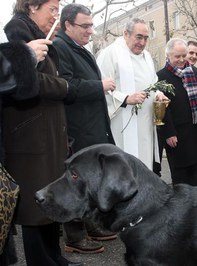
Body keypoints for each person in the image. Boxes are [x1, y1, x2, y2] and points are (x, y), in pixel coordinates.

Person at [2, 1, 81, 265]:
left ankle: (55, 256)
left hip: (47, 133)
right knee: (36, 204)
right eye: (53, 8)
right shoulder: (18, 34)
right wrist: (66, 87)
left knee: (51, 198)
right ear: (33, 6)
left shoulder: (41, 37)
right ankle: (42, 260)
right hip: (31, 135)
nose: (56, 16)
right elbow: (30, 82)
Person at [53, 3, 117, 254]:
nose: (91, 30)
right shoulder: (60, 47)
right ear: (67, 24)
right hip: (76, 129)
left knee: (88, 181)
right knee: (74, 183)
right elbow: (66, 86)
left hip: (90, 126)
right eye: (85, 25)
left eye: (92, 25)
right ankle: (75, 237)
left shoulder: (77, 47)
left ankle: (90, 225)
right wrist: (99, 85)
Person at [97, 18, 167, 172]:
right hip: (123, 121)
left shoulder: (147, 56)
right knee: (124, 169)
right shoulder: (111, 53)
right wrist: (126, 98)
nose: (142, 43)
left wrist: (159, 94)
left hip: (146, 122)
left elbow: (153, 82)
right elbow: (101, 86)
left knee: (144, 167)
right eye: (138, 37)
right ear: (126, 34)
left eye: (145, 38)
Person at [157, 38, 197, 186]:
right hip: (177, 136)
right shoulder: (160, 76)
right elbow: (163, 108)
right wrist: (168, 132)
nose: (182, 60)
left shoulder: (194, 71)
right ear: (168, 55)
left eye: (184, 55)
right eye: (177, 56)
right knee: (181, 181)